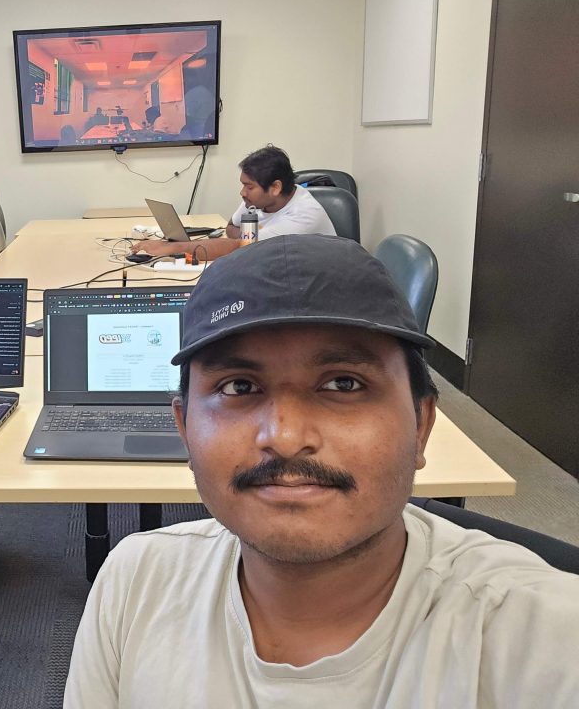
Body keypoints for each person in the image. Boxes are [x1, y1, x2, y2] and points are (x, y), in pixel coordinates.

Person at [65, 234, 579, 708]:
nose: (286, 437)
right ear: (184, 428)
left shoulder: (543, 639)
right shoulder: (136, 581)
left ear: (421, 425)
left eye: (344, 384)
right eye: (239, 387)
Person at [131, 144, 335, 261]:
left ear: (275, 187)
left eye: (249, 187)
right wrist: (246, 241)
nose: (242, 193)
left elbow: (237, 246)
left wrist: (170, 248)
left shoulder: (304, 216)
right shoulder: (257, 201)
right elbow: (231, 227)